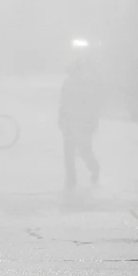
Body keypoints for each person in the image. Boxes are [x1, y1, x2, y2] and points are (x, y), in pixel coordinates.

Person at [59, 59, 102, 188]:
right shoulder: (67, 84)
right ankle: (71, 180)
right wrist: (61, 119)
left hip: (82, 124)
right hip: (71, 124)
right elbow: (63, 104)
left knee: (84, 152)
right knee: (69, 154)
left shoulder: (86, 86)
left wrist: (92, 123)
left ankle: (94, 169)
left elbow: (93, 106)